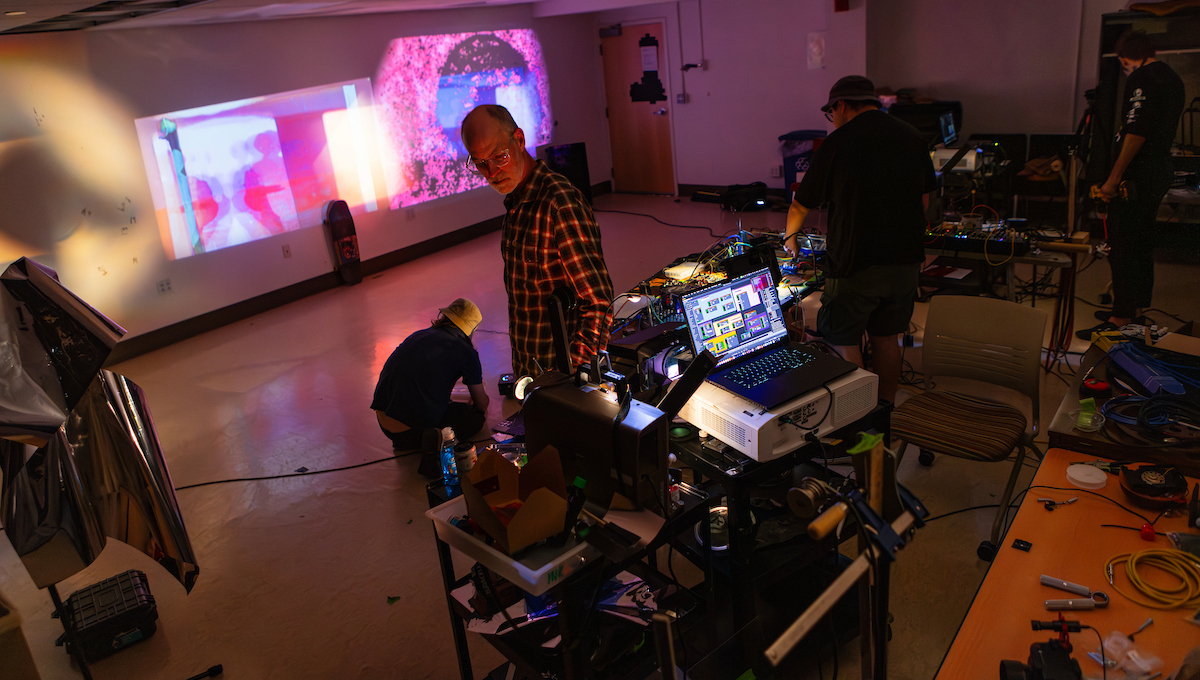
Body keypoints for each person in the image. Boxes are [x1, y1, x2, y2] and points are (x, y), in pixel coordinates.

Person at [783, 75, 937, 403]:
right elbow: (923, 203)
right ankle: (884, 410)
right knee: (886, 339)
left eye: (831, 112)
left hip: (857, 264)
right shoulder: (912, 137)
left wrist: (791, 239)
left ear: (840, 105)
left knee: (843, 338)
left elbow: (801, 204)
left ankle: (860, 417)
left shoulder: (840, 142)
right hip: (906, 261)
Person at [459, 104, 614, 379]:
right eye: (481, 163)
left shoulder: (559, 204)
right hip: (530, 370)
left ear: (519, 140)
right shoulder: (517, 203)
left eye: (499, 156)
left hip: (562, 381)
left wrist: (569, 376)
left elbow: (599, 303)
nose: (492, 172)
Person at [1077, 30, 1185, 340]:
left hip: (1135, 177)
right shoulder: (1171, 78)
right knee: (1139, 242)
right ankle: (1132, 307)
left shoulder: (1142, 79)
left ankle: (1120, 319)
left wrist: (1113, 178)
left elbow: (1136, 131)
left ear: (1126, 59)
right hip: (1156, 171)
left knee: (1121, 244)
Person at [371, 298, 489, 472]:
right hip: (410, 431)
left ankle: (420, 437)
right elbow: (481, 403)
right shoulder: (466, 351)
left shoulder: (419, 334)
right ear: (470, 330)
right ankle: (431, 438)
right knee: (476, 418)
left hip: (385, 425)